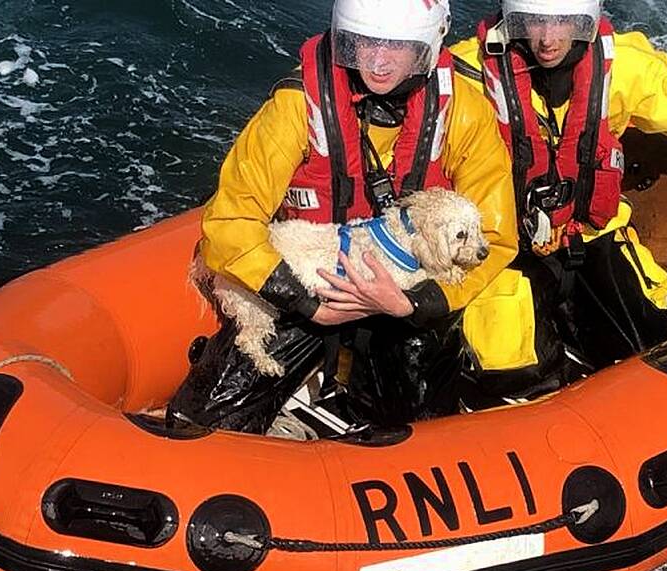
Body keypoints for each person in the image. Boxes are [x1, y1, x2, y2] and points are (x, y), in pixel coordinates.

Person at [167, 0, 517, 433]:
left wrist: (409, 304)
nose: (378, 61)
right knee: (205, 416)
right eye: (365, 42)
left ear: (426, 47)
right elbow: (230, 221)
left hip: (407, 296)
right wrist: (306, 303)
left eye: (397, 46)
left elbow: (498, 239)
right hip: (311, 286)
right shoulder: (298, 104)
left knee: (419, 419)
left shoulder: (464, 111)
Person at [450, 0, 667, 402]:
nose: (548, 40)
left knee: (652, 345)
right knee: (511, 371)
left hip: (591, 234)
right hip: (503, 251)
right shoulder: (464, 74)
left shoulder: (620, 65)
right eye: (533, 22)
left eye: (563, 21)